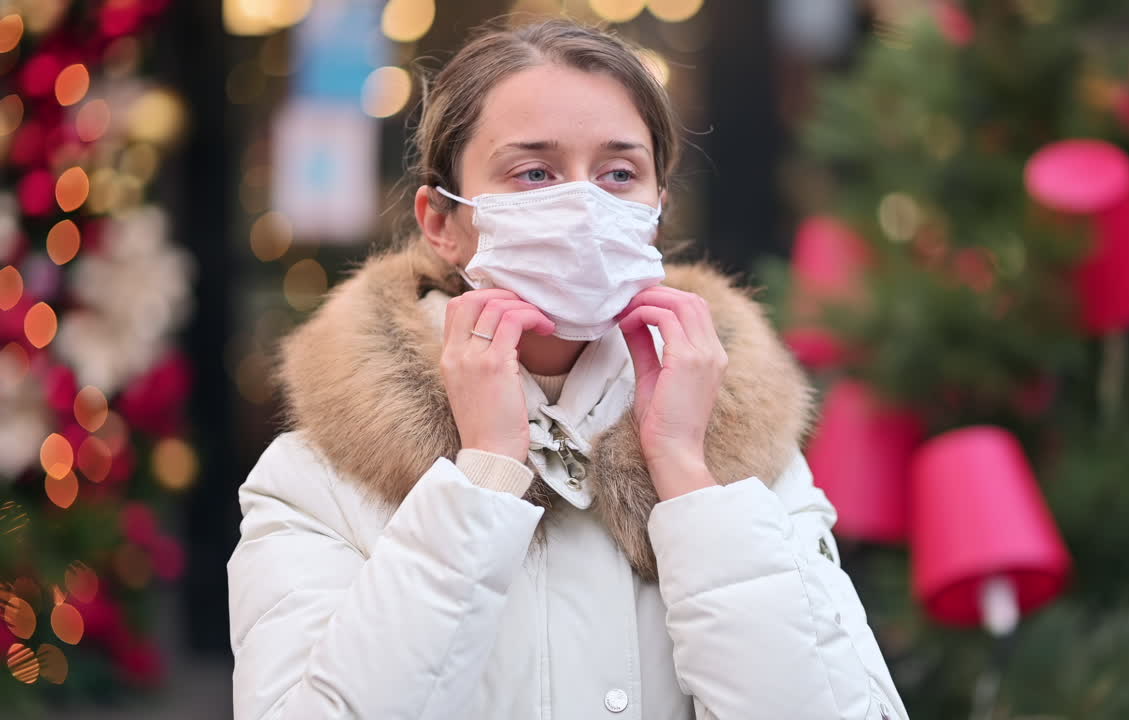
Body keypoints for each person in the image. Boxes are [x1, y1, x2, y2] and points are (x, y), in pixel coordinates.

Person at [227, 17, 908, 720]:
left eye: (619, 173)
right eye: (534, 173)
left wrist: (688, 478)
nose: (584, 205)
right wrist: (483, 479)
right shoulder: (316, 480)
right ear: (442, 222)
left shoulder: (754, 468)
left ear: (656, 212)